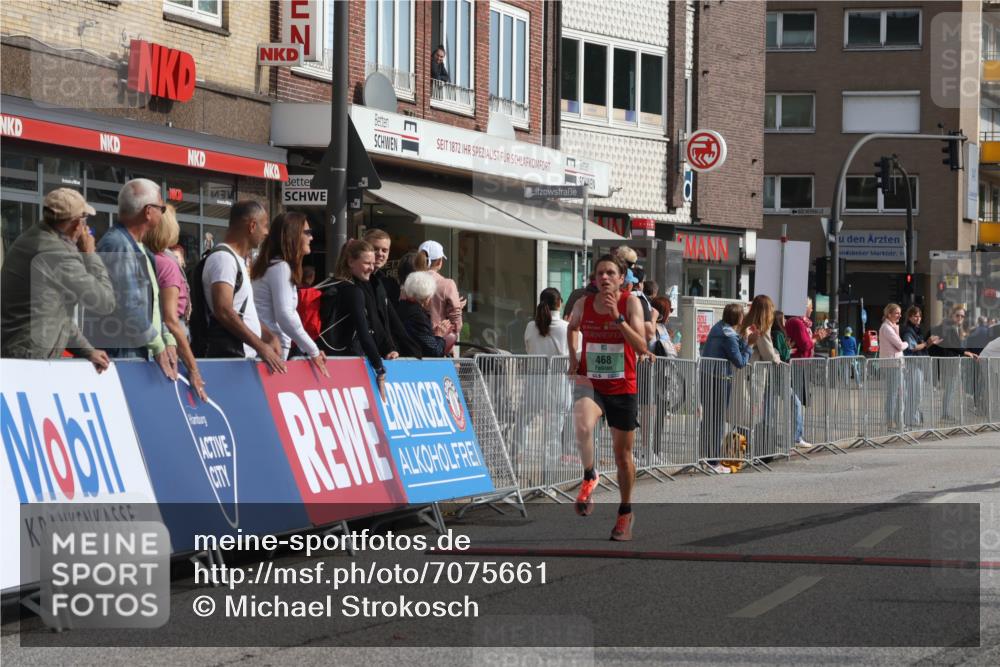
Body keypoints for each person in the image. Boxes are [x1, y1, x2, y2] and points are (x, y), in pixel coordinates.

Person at [566, 254, 649, 541]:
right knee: (582, 425)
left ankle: (625, 512)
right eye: (600, 273)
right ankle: (590, 474)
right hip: (591, 383)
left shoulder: (630, 303)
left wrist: (617, 318)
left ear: (621, 278)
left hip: (622, 387)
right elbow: (572, 327)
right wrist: (574, 357)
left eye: (610, 273)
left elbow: (641, 346)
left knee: (622, 456)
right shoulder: (583, 304)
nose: (604, 277)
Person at [1, 188, 114, 372]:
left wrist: (87, 350)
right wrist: (89, 254)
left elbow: (55, 316)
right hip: (30, 359)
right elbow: (105, 302)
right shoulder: (57, 253)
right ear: (76, 224)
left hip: (23, 352)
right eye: (85, 220)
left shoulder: (34, 237)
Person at [83, 178, 177, 381]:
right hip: (123, 356)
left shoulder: (140, 249)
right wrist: (158, 346)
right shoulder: (118, 245)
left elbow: (151, 305)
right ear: (148, 211)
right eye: (161, 208)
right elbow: (129, 306)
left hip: (137, 352)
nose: (163, 213)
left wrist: (166, 337)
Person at [191, 200, 285, 374]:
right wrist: (261, 346)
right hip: (229, 361)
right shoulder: (224, 259)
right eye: (265, 225)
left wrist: (267, 335)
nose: (267, 232)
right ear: (252, 226)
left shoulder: (235, 259)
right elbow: (224, 310)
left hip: (240, 358)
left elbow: (241, 311)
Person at [250, 212, 328, 377]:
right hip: (270, 352)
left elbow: (289, 314)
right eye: (307, 232)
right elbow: (285, 315)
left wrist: (308, 347)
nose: (311, 238)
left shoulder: (273, 266)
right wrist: (313, 350)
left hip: (269, 349)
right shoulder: (280, 267)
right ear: (293, 235)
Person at [144, 204, 207, 400]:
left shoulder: (152, 257)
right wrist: (194, 369)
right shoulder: (166, 263)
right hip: (171, 335)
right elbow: (170, 319)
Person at [320, 240, 398, 395]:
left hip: (323, 358)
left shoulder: (330, 284)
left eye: (373, 263)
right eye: (367, 263)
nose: (372, 268)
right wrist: (379, 368)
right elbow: (364, 334)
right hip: (344, 364)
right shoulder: (354, 292)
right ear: (350, 262)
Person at [699, 303, 753, 471]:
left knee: (709, 418)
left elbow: (734, 347)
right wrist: (750, 345)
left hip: (707, 376)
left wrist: (743, 338)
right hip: (720, 379)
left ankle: (703, 457)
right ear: (738, 317)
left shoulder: (718, 327)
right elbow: (740, 362)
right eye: (742, 315)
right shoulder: (729, 335)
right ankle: (714, 462)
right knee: (717, 420)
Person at [784, 297, 828, 448]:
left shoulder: (802, 323)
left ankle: (797, 435)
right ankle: (796, 436)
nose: (812, 309)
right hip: (797, 365)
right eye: (810, 306)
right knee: (797, 402)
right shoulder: (796, 322)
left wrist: (813, 338)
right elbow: (805, 344)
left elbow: (806, 343)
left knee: (798, 402)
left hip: (800, 364)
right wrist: (815, 339)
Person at [364, 229, 411, 352]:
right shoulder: (354, 282)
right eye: (375, 249)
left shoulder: (383, 283)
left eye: (384, 250)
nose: (380, 254)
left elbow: (391, 322)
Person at [931, 305, 978, 421]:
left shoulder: (954, 328)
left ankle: (946, 413)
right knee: (950, 389)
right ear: (952, 315)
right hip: (949, 362)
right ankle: (945, 414)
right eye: (957, 315)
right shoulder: (948, 327)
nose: (960, 318)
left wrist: (967, 352)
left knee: (950, 390)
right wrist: (965, 352)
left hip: (952, 362)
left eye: (962, 316)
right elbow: (951, 344)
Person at [396, 271, 453, 358]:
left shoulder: (400, 307)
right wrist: (439, 335)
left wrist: (431, 333)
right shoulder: (418, 317)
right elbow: (435, 352)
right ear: (426, 297)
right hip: (414, 363)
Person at [901, 305, 941, 426]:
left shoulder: (917, 330)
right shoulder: (908, 330)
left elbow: (921, 346)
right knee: (914, 393)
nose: (918, 318)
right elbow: (912, 347)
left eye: (919, 316)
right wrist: (927, 343)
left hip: (919, 363)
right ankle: (910, 419)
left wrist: (930, 343)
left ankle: (914, 418)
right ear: (909, 317)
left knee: (917, 393)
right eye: (915, 316)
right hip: (912, 364)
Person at [419, 240, 464, 343]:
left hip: (413, 340)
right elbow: (456, 324)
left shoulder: (410, 283)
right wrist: (457, 307)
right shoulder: (447, 284)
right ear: (439, 261)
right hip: (438, 340)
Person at [878, 303, 908, 430]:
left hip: (895, 364)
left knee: (898, 393)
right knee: (894, 393)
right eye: (896, 313)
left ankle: (896, 420)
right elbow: (900, 345)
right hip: (892, 364)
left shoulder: (891, 327)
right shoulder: (886, 328)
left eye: (900, 313)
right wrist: (907, 343)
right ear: (889, 314)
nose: (899, 316)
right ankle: (891, 421)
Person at [525, 288, 568, 357]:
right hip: (560, 365)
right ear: (559, 303)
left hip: (534, 364)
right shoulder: (567, 327)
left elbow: (528, 349)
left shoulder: (530, 326)